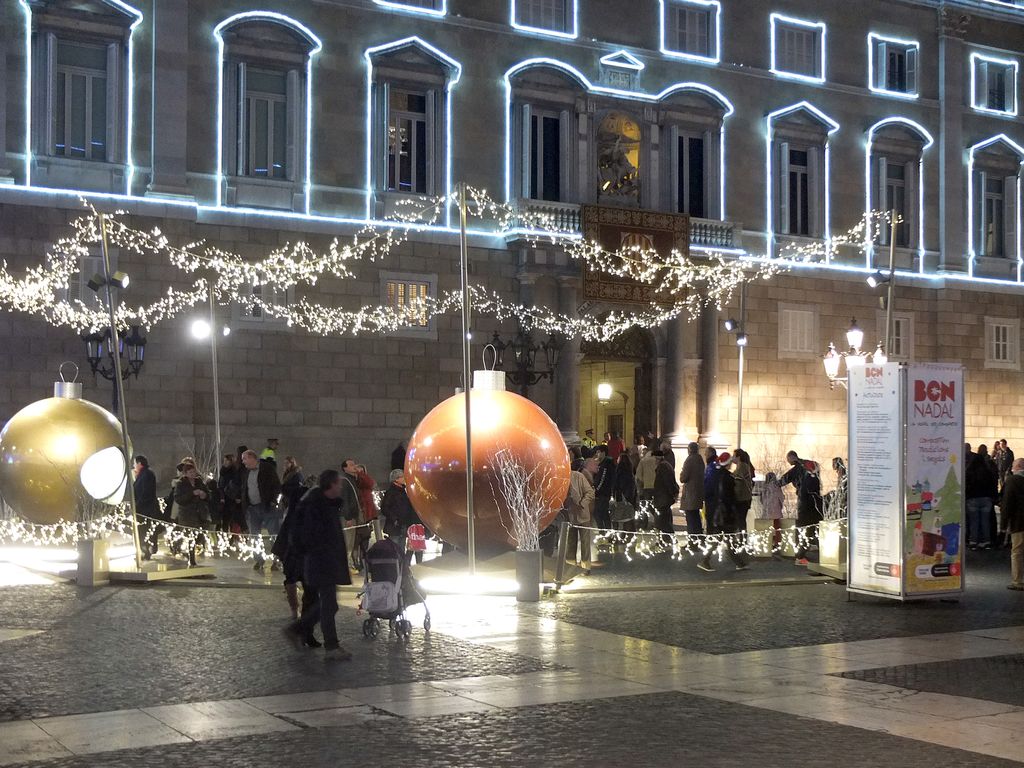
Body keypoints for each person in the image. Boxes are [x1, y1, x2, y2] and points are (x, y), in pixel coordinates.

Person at [287, 470, 353, 661]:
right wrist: (323, 553)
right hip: (321, 562)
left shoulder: (325, 504)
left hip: (326, 561)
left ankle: (297, 629)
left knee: (327, 604)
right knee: (328, 605)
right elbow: (310, 536)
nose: (340, 487)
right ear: (330, 485)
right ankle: (330, 646)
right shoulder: (315, 506)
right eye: (338, 484)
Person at [699, 453, 749, 572]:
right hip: (725, 513)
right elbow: (729, 497)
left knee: (724, 538)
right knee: (724, 538)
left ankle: (739, 563)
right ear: (728, 463)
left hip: (718, 511)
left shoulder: (716, 474)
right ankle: (705, 560)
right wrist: (733, 510)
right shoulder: (728, 477)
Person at [241, 449, 282, 570]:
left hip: (267, 507)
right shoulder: (246, 472)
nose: (243, 462)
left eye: (245, 459)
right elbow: (245, 487)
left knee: (273, 534)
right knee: (255, 536)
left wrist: (274, 501)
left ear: (252, 458)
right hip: (252, 508)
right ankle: (259, 559)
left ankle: (277, 560)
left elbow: (276, 486)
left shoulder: (266, 469)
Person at [173, 458, 211, 567]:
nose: (193, 474)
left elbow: (208, 494)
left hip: (200, 513)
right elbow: (179, 499)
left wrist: (204, 495)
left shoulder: (199, 482)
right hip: (187, 514)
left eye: (194, 472)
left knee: (199, 536)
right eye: (190, 472)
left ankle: (193, 552)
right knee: (190, 537)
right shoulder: (181, 484)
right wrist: (192, 493)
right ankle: (191, 558)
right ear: (185, 473)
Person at [564, 459, 596, 572]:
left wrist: (582, 504)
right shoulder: (562, 479)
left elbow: (590, 492)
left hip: (582, 514)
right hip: (570, 516)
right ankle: (570, 566)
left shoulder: (577, 476)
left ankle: (585, 566)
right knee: (571, 541)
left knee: (585, 542)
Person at [380, 470, 421, 555]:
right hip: (395, 526)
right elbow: (385, 508)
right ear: (396, 479)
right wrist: (395, 519)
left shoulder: (403, 491)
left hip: (403, 525)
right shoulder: (391, 492)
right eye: (402, 477)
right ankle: (395, 566)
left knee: (401, 548)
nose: (404, 478)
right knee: (394, 548)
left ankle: (401, 566)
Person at [966, 446, 998, 550]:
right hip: (986, 499)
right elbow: (993, 484)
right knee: (985, 521)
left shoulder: (970, 472)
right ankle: (986, 541)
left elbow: (967, 485)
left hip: (973, 499)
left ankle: (973, 542)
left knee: (974, 522)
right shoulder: (988, 472)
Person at [999, 458, 1024, 591]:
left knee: (1017, 552)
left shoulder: (1012, 480)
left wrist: (1003, 525)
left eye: (1013, 466)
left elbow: (1007, 504)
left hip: (1019, 522)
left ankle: (1018, 581)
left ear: (1018, 466)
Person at [340, 459, 365, 570]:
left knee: (351, 541)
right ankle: (344, 565)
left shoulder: (353, 480)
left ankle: (347, 564)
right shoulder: (345, 481)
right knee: (347, 542)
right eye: (351, 465)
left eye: (354, 464)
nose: (354, 466)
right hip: (348, 517)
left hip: (352, 515)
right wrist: (348, 517)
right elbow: (344, 500)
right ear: (345, 468)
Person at [679, 442, 705, 548]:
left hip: (690, 493)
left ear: (689, 449)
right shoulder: (700, 460)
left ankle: (692, 542)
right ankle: (698, 539)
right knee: (696, 518)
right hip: (698, 492)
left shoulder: (689, 460)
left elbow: (683, 478)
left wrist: (681, 473)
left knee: (690, 518)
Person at [133, 455, 160, 559]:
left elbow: (146, 492)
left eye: (135, 463)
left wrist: (138, 504)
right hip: (144, 508)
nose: (134, 466)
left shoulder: (147, 474)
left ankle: (146, 551)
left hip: (146, 509)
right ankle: (145, 551)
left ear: (139, 464)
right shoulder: (142, 475)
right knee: (143, 531)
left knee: (144, 531)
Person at [652, 449, 679, 544]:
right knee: (665, 520)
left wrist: (673, 493)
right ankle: (666, 540)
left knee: (663, 521)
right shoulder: (666, 465)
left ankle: (668, 540)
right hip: (664, 497)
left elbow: (668, 482)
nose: (654, 461)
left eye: (655, 458)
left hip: (663, 498)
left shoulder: (663, 467)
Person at [218, 453, 244, 534]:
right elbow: (220, 484)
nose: (225, 462)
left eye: (227, 461)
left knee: (231, 520)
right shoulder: (223, 471)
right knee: (224, 520)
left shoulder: (234, 471)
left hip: (231, 498)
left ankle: (232, 537)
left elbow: (236, 485)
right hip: (223, 498)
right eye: (224, 460)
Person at [761, 472, 785, 556]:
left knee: (767, 529)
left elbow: (762, 499)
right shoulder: (776, 487)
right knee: (777, 528)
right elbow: (781, 497)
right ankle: (777, 544)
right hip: (776, 511)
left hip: (767, 512)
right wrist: (780, 505)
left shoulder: (764, 487)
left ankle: (767, 544)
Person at [591, 445, 615, 530]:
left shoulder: (606, 464)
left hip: (603, 493)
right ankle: (606, 533)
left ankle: (604, 532)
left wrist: (596, 490)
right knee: (602, 513)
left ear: (603, 453)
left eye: (598, 452)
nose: (597, 454)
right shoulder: (603, 464)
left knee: (599, 513)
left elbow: (602, 479)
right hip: (603, 492)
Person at [732, 448, 755, 534]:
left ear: (738, 457)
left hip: (742, 498)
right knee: (741, 520)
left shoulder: (742, 466)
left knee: (741, 519)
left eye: (734, 456)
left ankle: (742, 539)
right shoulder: (741, 466)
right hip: (744, 498)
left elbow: (738, 481)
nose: (732, 458)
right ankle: (742, 538)